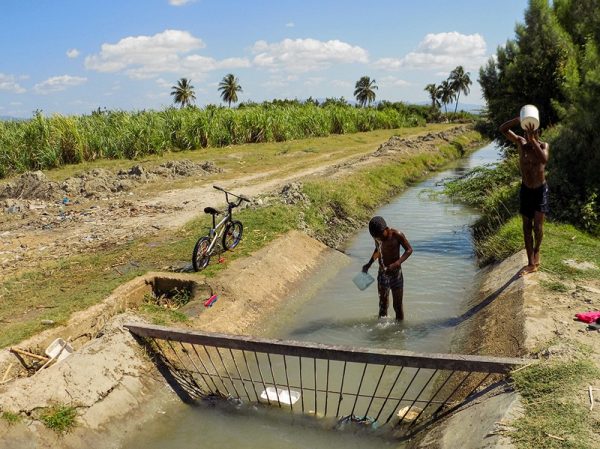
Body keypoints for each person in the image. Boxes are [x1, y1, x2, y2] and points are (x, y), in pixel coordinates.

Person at [499, 114, 549, 276]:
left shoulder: (543, 146)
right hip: (526, 190)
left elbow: (543, 160)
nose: (528, 135)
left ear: (538, 133)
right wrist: (517, 119)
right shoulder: (520, 142)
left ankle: (537, 250)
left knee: (538, 227)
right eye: (527, 132)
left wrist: (533, 140)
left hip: (540, 190)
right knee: (527, 226)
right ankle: (530, 263)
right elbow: (503, 129)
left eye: (532, 132)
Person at [362, 216, 413, 320]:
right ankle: (381, 330)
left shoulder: (397, 235)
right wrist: (369, 263)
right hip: (382, 274)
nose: (379, 239)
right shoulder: (377, 236)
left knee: (397, 306)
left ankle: (399, 330)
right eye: (376, 237)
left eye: (380, 236)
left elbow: (409, 250)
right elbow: (377, 250)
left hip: (396, 274)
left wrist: (397, 263)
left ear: (386, 229)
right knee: (382, 305)